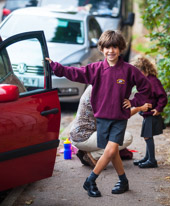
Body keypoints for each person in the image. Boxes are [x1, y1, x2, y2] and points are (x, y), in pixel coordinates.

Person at [46, 30, 151, 197]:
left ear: (120, 49)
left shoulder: (129, 70)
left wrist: (134, 102)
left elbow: (146, 87)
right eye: (107, 47)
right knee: (113, 151)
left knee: (110, 150)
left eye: (115, 47)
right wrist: (56, 67)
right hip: (101, 119)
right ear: (102, 49)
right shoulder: (95, 69)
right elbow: (74, 73)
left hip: (119, 118)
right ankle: (123, 181)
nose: (111, 51)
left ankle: (91, 180)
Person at [68, 84, 151, 167]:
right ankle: (93, 155)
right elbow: (119, 116)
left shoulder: (94, 85)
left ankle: (86, 151)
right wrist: (138, 108)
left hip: (78, 135)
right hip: (85, 137)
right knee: (127, 137)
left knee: (115, 134)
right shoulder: (103, 90)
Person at [131, 56, 168, 168]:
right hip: (146, 114)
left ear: (146, 70)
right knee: (147, 136)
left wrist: (158, 108)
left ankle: (152, 160)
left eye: (140, 72)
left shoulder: (153, 81)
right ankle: (147, 157)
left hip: (152, 113)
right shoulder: (145, 82)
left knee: (148, 136)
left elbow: (163, 97)